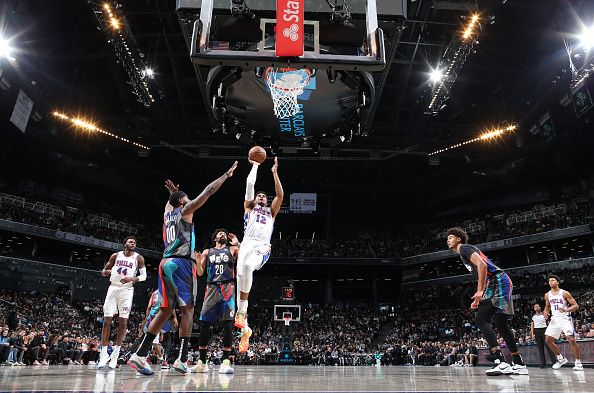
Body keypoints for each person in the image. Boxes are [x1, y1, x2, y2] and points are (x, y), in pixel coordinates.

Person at [128, 162, 238, 376]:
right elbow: (207, 191)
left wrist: (173, 194)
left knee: (165, 310)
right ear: (182, 202)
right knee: (187, 310)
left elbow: (171, 203)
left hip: (164, 263)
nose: (190, 201)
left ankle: (140, 355)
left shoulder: (168, 212)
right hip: (181, 263)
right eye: (186, 198)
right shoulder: (185, 210)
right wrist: (226, 175)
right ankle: (182, 359)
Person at [446, 227, 527, 376]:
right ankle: (519, 363)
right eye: (447, 238)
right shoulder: (463, 253)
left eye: (450, 237)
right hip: (497, 282)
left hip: (499, 281)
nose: (447, 240)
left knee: (481, 318)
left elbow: (482, 266)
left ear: (458, 238)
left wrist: (479, 291)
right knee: (501, 325)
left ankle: (499, 360)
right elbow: (483, 271)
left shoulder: (464, 248)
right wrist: (480, 297)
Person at [235, 157, 284, 353]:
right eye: (260, 196)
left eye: (264, 196)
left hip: (262, 246)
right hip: (246, 244)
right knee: (240, 285)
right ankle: (245, 329)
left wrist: (274, 173)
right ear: (255, 200)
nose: (262, 197)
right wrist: (255, 165)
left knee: (248, 268)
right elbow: (249, 184)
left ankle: (242, 315)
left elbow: (280, 195)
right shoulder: (249, 208)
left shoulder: (271, 212)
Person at [191, 229, 240, 374]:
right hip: (211, 288)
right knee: (205, 324)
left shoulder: (233, 249)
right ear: (214, 238)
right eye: (219, 233)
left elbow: (247, 258)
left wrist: (239, 244)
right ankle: (202, 362)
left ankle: (225, 362)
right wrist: (198, 260)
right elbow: (200, 273)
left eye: (224, 233)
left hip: (228, 287)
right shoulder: (207, 251)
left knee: (228, 325)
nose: (222, 234)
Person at [98, 236, 146, 369]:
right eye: (131, 242)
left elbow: (144, 276)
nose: (133, 243)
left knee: (123, 321)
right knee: (107, 320)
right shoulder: (115, 256)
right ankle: (103, 354)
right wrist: (105, 272)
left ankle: (115, 354)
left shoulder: (138, 258)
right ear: (125, 244)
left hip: (127, 290)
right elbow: (104, 271)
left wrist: (132, 278)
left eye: (135, 242)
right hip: (113, 288)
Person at [121, 289, 178, 369]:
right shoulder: (169, 289)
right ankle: (163, 360)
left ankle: (126, 355)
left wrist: (147, 320)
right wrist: (175, 317)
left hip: (152, 316)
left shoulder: (155, 293)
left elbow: (148, 307)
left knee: (143, 338)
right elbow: (171, 307)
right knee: (166, 338)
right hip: (162, 315)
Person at [544, 275, 583, 371]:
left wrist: (566, 309)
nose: (550, 282)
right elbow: (547, 306)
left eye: (552, 280)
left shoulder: (564, 293)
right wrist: (545, 313)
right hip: (555, 319)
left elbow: (576, 306)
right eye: (549, 281)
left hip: (565, 318)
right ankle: (561, 359)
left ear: (558, 282)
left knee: (571, 339)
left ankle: (578, 363)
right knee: (548, 340)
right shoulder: (547, 295)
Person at [531, 303, 556, 368]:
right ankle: (543, 363)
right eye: (535, 307)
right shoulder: (533, 317)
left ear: (540, 307)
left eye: (537, 306)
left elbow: (549, 322)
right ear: (534, 309)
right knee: (540, 348)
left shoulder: (544, 314)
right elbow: (532, 326)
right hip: (537, 331)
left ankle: (554, 362)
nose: (536, 307)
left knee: (548, 347)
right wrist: (532, 334)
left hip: (544, 330)